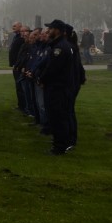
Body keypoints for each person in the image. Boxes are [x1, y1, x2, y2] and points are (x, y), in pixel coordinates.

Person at [36, 19, 78, 155]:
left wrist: (42, 79)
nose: (48, 31)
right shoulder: (58, 45)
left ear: (58, 31)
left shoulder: (59, 48)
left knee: (58, 117)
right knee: (56, 117)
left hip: (58, 88)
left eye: (51, 28)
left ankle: (59, 146)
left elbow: (53, 68)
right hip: (57, 87)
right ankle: (59, 143)